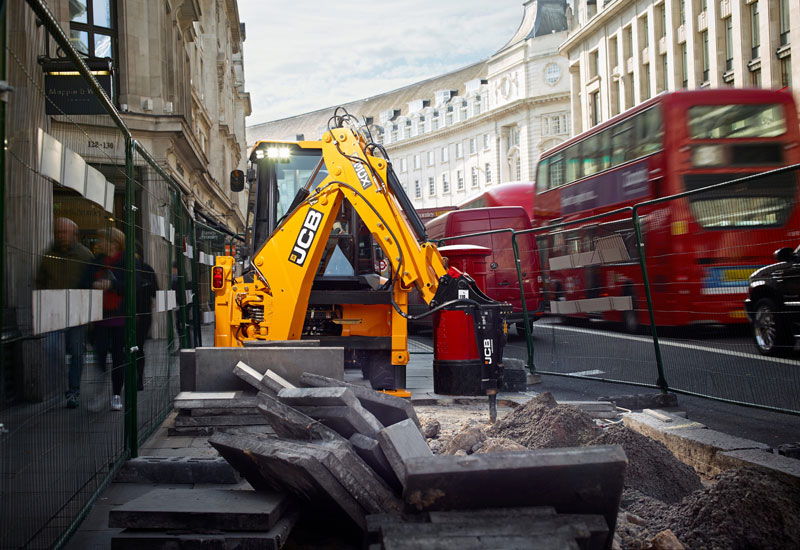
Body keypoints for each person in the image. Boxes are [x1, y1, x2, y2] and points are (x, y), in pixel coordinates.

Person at [35, 217, 94, 409]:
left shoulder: (85, 255)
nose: (61, 236)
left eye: (64, 232)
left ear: (74, 233)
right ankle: (61, 383)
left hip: (77, 311)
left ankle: (73, 391)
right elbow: (40, 281)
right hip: (54, 311)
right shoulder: (48, 256)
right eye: (58, 232)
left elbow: (93, 282)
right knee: (51, 348)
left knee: (77, 351)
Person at [83, 227, 128, 411]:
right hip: (99, 317)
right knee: (99, 354)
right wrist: (92, 285)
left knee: (119, 357)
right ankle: (101, 391)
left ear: (114, 243)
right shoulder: (97, 262)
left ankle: (116, 394)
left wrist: (111, 284)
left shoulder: (126, 261)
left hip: (120, 318)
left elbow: (132, 285)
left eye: (103, 240)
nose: (99, 243)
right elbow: (84, 282)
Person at [135, 243, 157, 391]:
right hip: (123, 314)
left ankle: (138, 379)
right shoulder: (121, 268)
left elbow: (155, 291)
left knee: (138, 347)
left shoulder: (147, 270)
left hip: (142, 315)